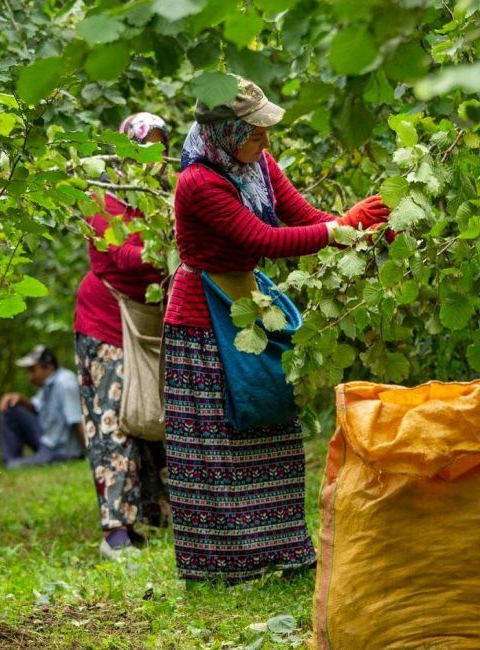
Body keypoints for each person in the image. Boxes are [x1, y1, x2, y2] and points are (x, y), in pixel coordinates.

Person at [163, 77, 390, 583]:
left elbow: (305, 218)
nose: (267, 141)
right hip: (204, 316)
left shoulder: (257, 166)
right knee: (219, 439)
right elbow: (264, 237)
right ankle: (224, 564)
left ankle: (281, 551)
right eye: (257, 132)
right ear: (226, 131)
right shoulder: (198, 182)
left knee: (270, 418)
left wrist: (359, 231)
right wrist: (336, 230)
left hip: (248, 304)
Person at [74, 112, 170, 559]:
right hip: (106, 323)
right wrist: (171, 248)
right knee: (113, 420)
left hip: (152, 325)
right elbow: (125, 257)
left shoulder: (164, 198)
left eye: (158, 147)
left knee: (153, 416)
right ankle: (115, 531)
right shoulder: (104, 200)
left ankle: (156, 516)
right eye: (141, 147)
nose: (150, 157)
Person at [0, 345, 86, 468]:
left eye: (33, 370)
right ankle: (10, 460)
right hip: (47, 439)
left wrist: (89, 455)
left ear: (48, 368)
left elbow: (77, 421)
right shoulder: (48, 384)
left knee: (15, 466)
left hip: (61, 450)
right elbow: (35, 407)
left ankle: (13, 465)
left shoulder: (65, 384)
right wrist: (20, 399)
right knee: (11, 409)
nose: (30, 377)